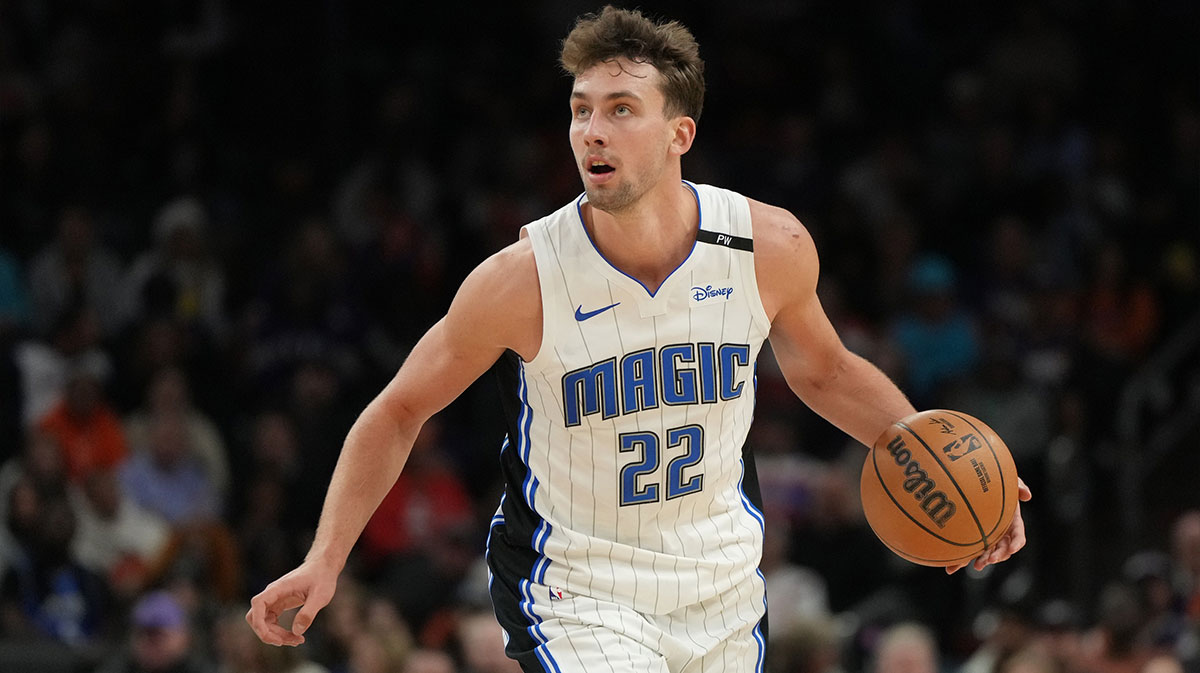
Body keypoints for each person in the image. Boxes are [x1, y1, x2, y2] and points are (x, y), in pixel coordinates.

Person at [247, 7, 1033, 672]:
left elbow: (825, 374)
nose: (594, 129)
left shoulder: (769, 246)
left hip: (721, 581)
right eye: (581, 109)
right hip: (577, 585)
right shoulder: (521, 279)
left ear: (678, 132)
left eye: (621, 108)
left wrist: (937, 463)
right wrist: (325, 558)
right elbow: (398, 410)